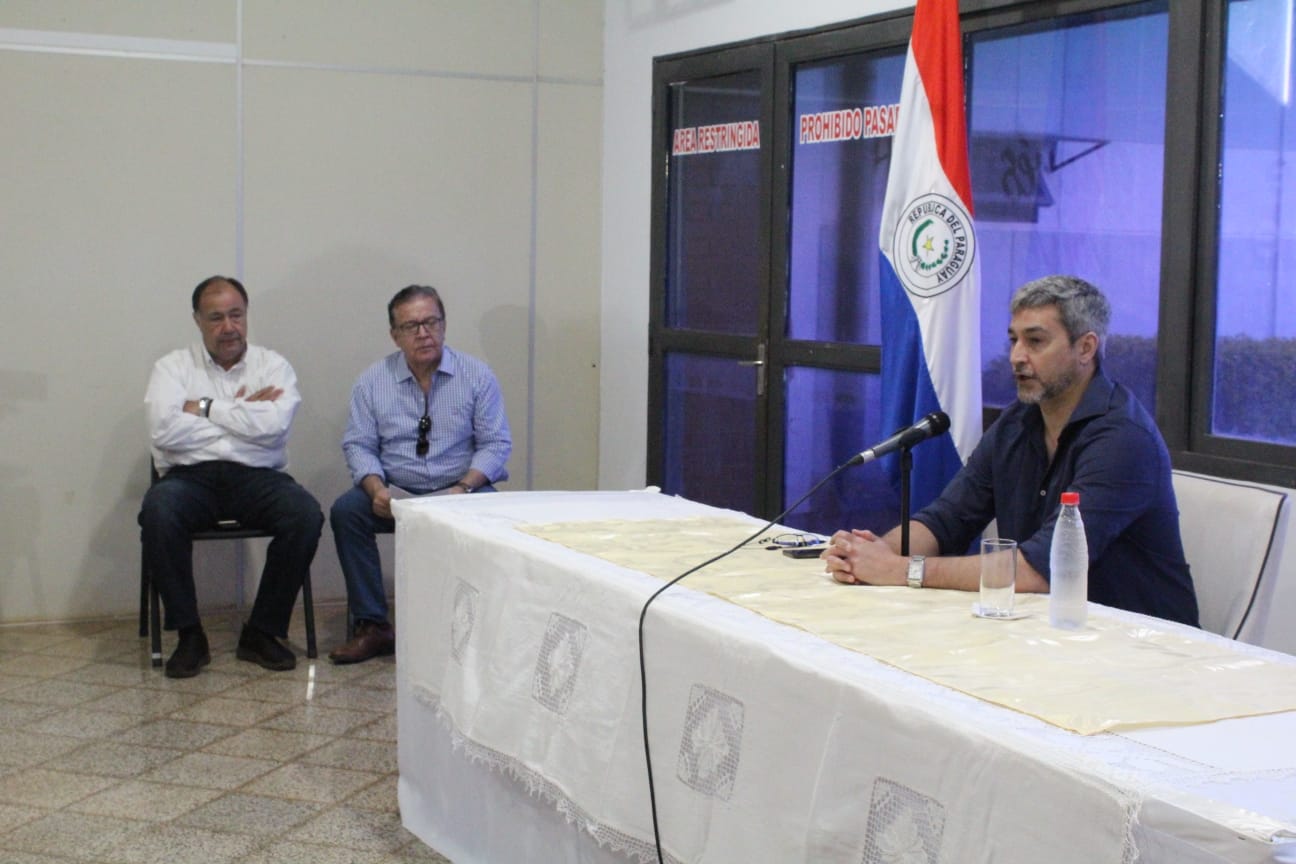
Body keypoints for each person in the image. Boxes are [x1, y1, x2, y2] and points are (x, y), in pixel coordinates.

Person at [823, 275, 1199, 626]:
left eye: (1035, 341)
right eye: (1013, 340)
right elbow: (948, 518)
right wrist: (869, 556)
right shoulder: (1019, 422)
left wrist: (902, 571)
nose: (1017, 356)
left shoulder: (1123, 440)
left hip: (1141, 646)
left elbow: (1042, 569)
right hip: (1044, 629)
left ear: (1085, 348)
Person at [139, 275, 324, 678]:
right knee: (158, 511)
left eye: (236, 315)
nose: (229, 327)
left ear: (246, 316)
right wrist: (242, 415)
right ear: (197, 320)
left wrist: (203, 407)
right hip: (189, 479)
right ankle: (190, 635)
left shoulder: (272, 365)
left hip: (256, 478)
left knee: (305, 514)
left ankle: (261, 632)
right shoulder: (171, 368)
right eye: (216, 317)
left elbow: (274, 428)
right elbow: (164, 433)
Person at [328, 284, 512, 664]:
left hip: (460, 490)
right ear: (395, 335)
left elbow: (495, 444)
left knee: (498, 513)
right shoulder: (372, 381)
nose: (423, 333)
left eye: (431, 322)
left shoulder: (476, 376)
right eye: (411, 326)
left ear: (444, 325)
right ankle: (373, 625)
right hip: (396, 491)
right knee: (347, 511)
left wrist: (464, 487)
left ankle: (481, 626)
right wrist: (376, 487)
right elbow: (358, 444)